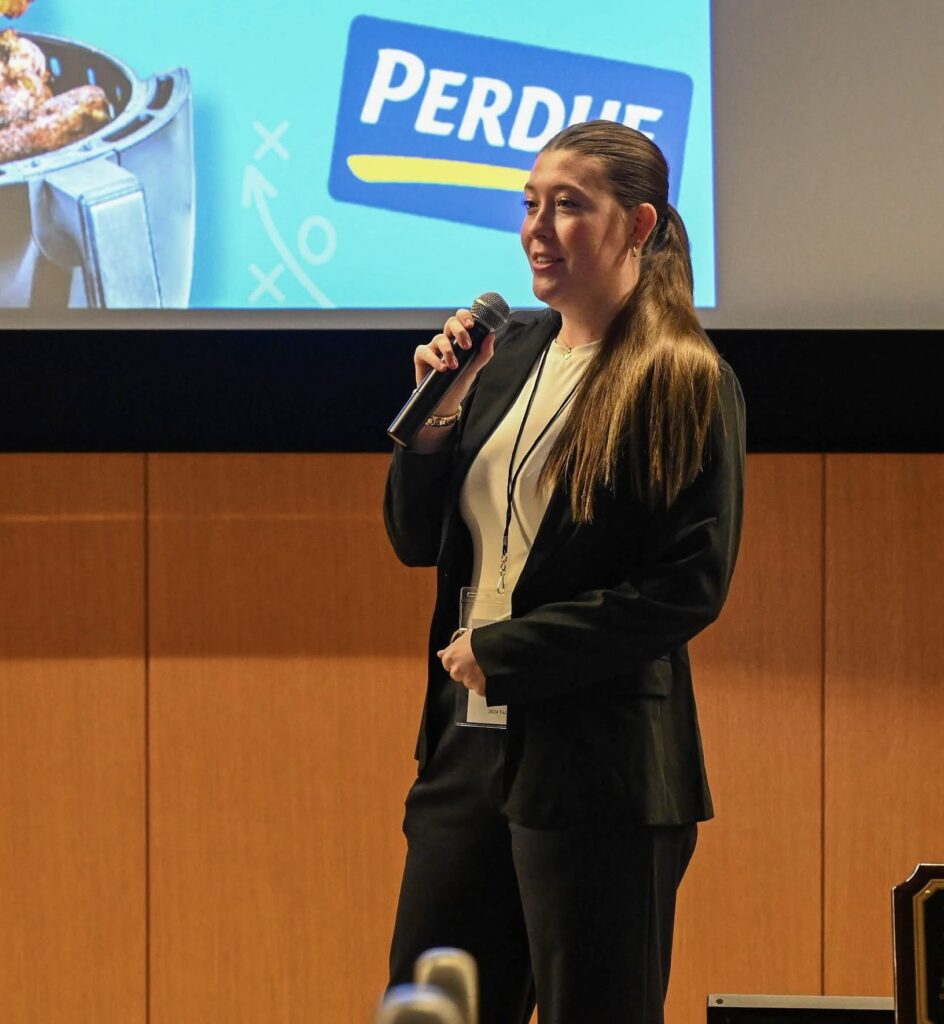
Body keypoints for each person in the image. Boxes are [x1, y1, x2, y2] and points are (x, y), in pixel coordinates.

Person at [382, 119, 746, 1024]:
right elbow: (414, 539)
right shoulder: (503, 361)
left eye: (569, 206)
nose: (538, 228)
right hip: (466, 753)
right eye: (530, 204)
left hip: (603, 770)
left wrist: (512, 651)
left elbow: (685, 586)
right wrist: (436, 423)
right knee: (430, 1009)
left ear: (639, 225)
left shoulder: (681, 377)